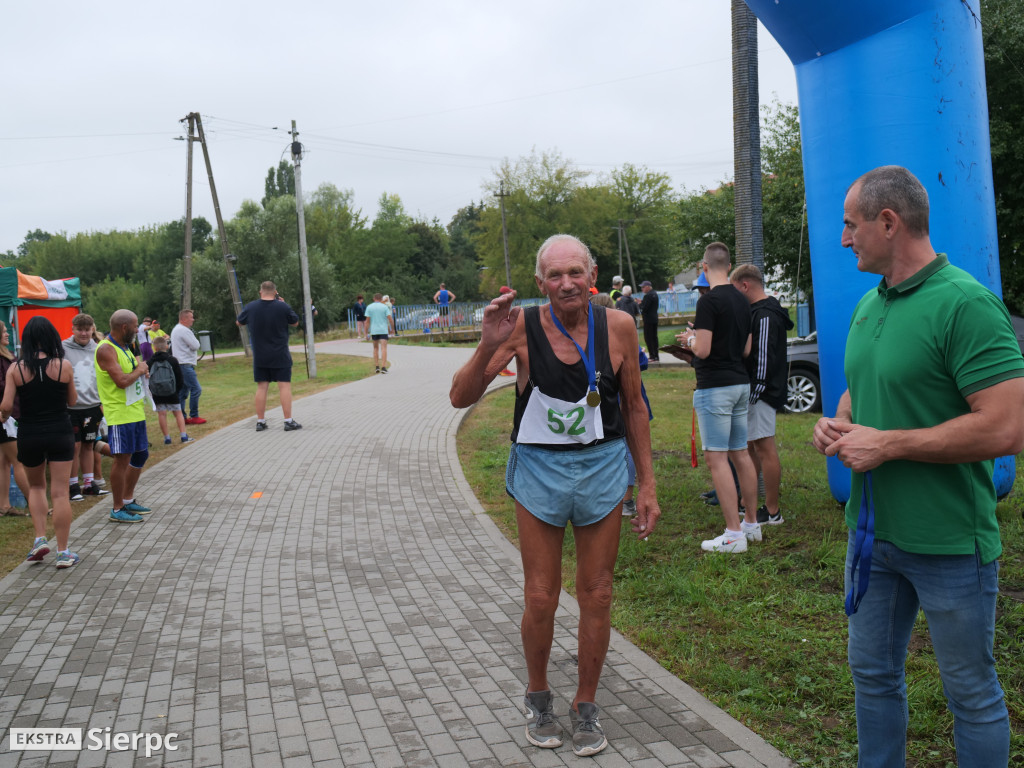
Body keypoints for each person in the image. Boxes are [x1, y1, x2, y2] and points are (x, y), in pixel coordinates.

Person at [813, 165, 1024, 768]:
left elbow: (1008, 426)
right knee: (873, 676)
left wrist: (890, 445)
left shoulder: (966, 304)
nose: (845, 239)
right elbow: (861, 394)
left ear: (888, 222)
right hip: (874, 537)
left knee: (971, 694)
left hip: (950, 540)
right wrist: (838, 422)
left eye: (851, 226)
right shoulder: (867, 305)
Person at [450, 234, 660, 758]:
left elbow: (635, 407)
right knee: (541, 594)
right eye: (555, 276)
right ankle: (538, 695)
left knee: (599, 591)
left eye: (576, 273)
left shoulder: (618, 326)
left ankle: (585, 704)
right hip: (540, 470)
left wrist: (648, 482)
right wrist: (485, 344)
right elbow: (459, 397)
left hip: (603, 467)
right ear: (540, 282)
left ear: (592, 276)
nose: (567, 283)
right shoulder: (519, 327)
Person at [678, 243, 760, 553]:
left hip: (715, 387)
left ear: (703, 267)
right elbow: (746, 350)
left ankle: (733, 534)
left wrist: (691, 338)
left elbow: (702, 350)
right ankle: (751, 525)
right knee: (740, 453)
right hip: (740, 383)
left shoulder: (709, 301)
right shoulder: (743, 300)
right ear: (728, 265)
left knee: (717, 458)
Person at [0, 317, 79, 567]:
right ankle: (64, 552)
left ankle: (39, 539)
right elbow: (73, 401)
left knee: (36, 487)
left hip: (29, 432)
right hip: (60, 430)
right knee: (60, 491)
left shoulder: (16, 368)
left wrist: (4, 415)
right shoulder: (63, 365)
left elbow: (5, 405)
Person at [730, 264, 792, 525]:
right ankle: (748, 502)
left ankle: (773, 510)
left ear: (746, 285)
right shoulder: (758, 311)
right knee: (751, 447)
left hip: (762, 393)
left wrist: (755, 393)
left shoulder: (766, 314)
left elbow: (763, 359)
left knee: (765, 447)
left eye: (736, 290)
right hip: (755, 391)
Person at [95, 310, 153, 523]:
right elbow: (121, 380)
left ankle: (128, 500)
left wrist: (141, 372)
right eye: (136, 325)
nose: (138, 329)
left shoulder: (125, 346)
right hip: (119, 414)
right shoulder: (106, 350)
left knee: (141, 454)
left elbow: (132, 373)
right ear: (124, 327)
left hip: (134, 410)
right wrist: (140, 370)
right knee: (121, 460)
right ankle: (117, 508)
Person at [237, 281, 302, 432]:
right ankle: (288, 421)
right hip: (280, 354)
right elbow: (295, 322)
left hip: (260, 355)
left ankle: (260, 421)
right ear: (275, 292)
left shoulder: (251, 307)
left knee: (261, 387)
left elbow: (239, 322)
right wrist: (283, 304)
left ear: (261, 292)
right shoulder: (282, 306)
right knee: (284, 386)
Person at [62, 313, 109, 500]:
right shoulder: (62, 348)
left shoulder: (98, 348)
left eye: (87, 329)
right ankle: (73, 485)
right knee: (74, 446)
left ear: (92, 329)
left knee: (89, 445)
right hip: (71, 407)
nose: (83, 333)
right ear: (73, 329)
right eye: (79, 329)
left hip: (92, 406)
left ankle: (89, 484)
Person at [0, 321, 30, 516]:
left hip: (9, 414)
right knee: (18, 460)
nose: (7, 334)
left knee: (4, 462)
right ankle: (38, 503)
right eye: (3, 331)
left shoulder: (6, 356)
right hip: (5, 417)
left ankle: (4, 505)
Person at [147, 336, 193, 445]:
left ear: (154, 347)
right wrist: (176, 390)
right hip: (172, 392)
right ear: (166, 346)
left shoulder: (150, 361)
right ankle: (183, 436)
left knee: (162, 414)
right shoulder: (172, 360)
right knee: (178, 413)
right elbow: (179, 378)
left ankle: (167, 438)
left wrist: (152, 391)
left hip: (157, 392)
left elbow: (148, 379)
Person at [170, 309, 205, 425]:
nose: (193, 319)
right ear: (184, 319)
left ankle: (182, 417)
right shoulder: (184, 330)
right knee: (196, 389)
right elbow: (196, 345)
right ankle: (194, 415)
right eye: (191, 317)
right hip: (185, 364)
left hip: (179, 363)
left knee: (183, 392)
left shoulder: (176, 329)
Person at [365, 294, 391, 374]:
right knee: (384, 348)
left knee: (375, 348)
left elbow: (367, 322)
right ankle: (383, 367)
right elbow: (390, 319)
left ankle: (377, 366)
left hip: (374, 331)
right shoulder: (384, 307)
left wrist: (366, 333)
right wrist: (392, 329)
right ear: (380, 299)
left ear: (374, 298)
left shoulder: (369, 307)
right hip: (383, 330)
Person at [639, 281, 660, 362]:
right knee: (654, 338)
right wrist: (642, 302)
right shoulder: (654, 294)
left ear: (648, 287)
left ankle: (652, 356)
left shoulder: (648, 296)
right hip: (654, 318)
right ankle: (656, 356)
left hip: (648, 320)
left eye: (643, 287)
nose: (642, 289)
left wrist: (639, 304)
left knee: (648, 338)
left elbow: (644, 309)